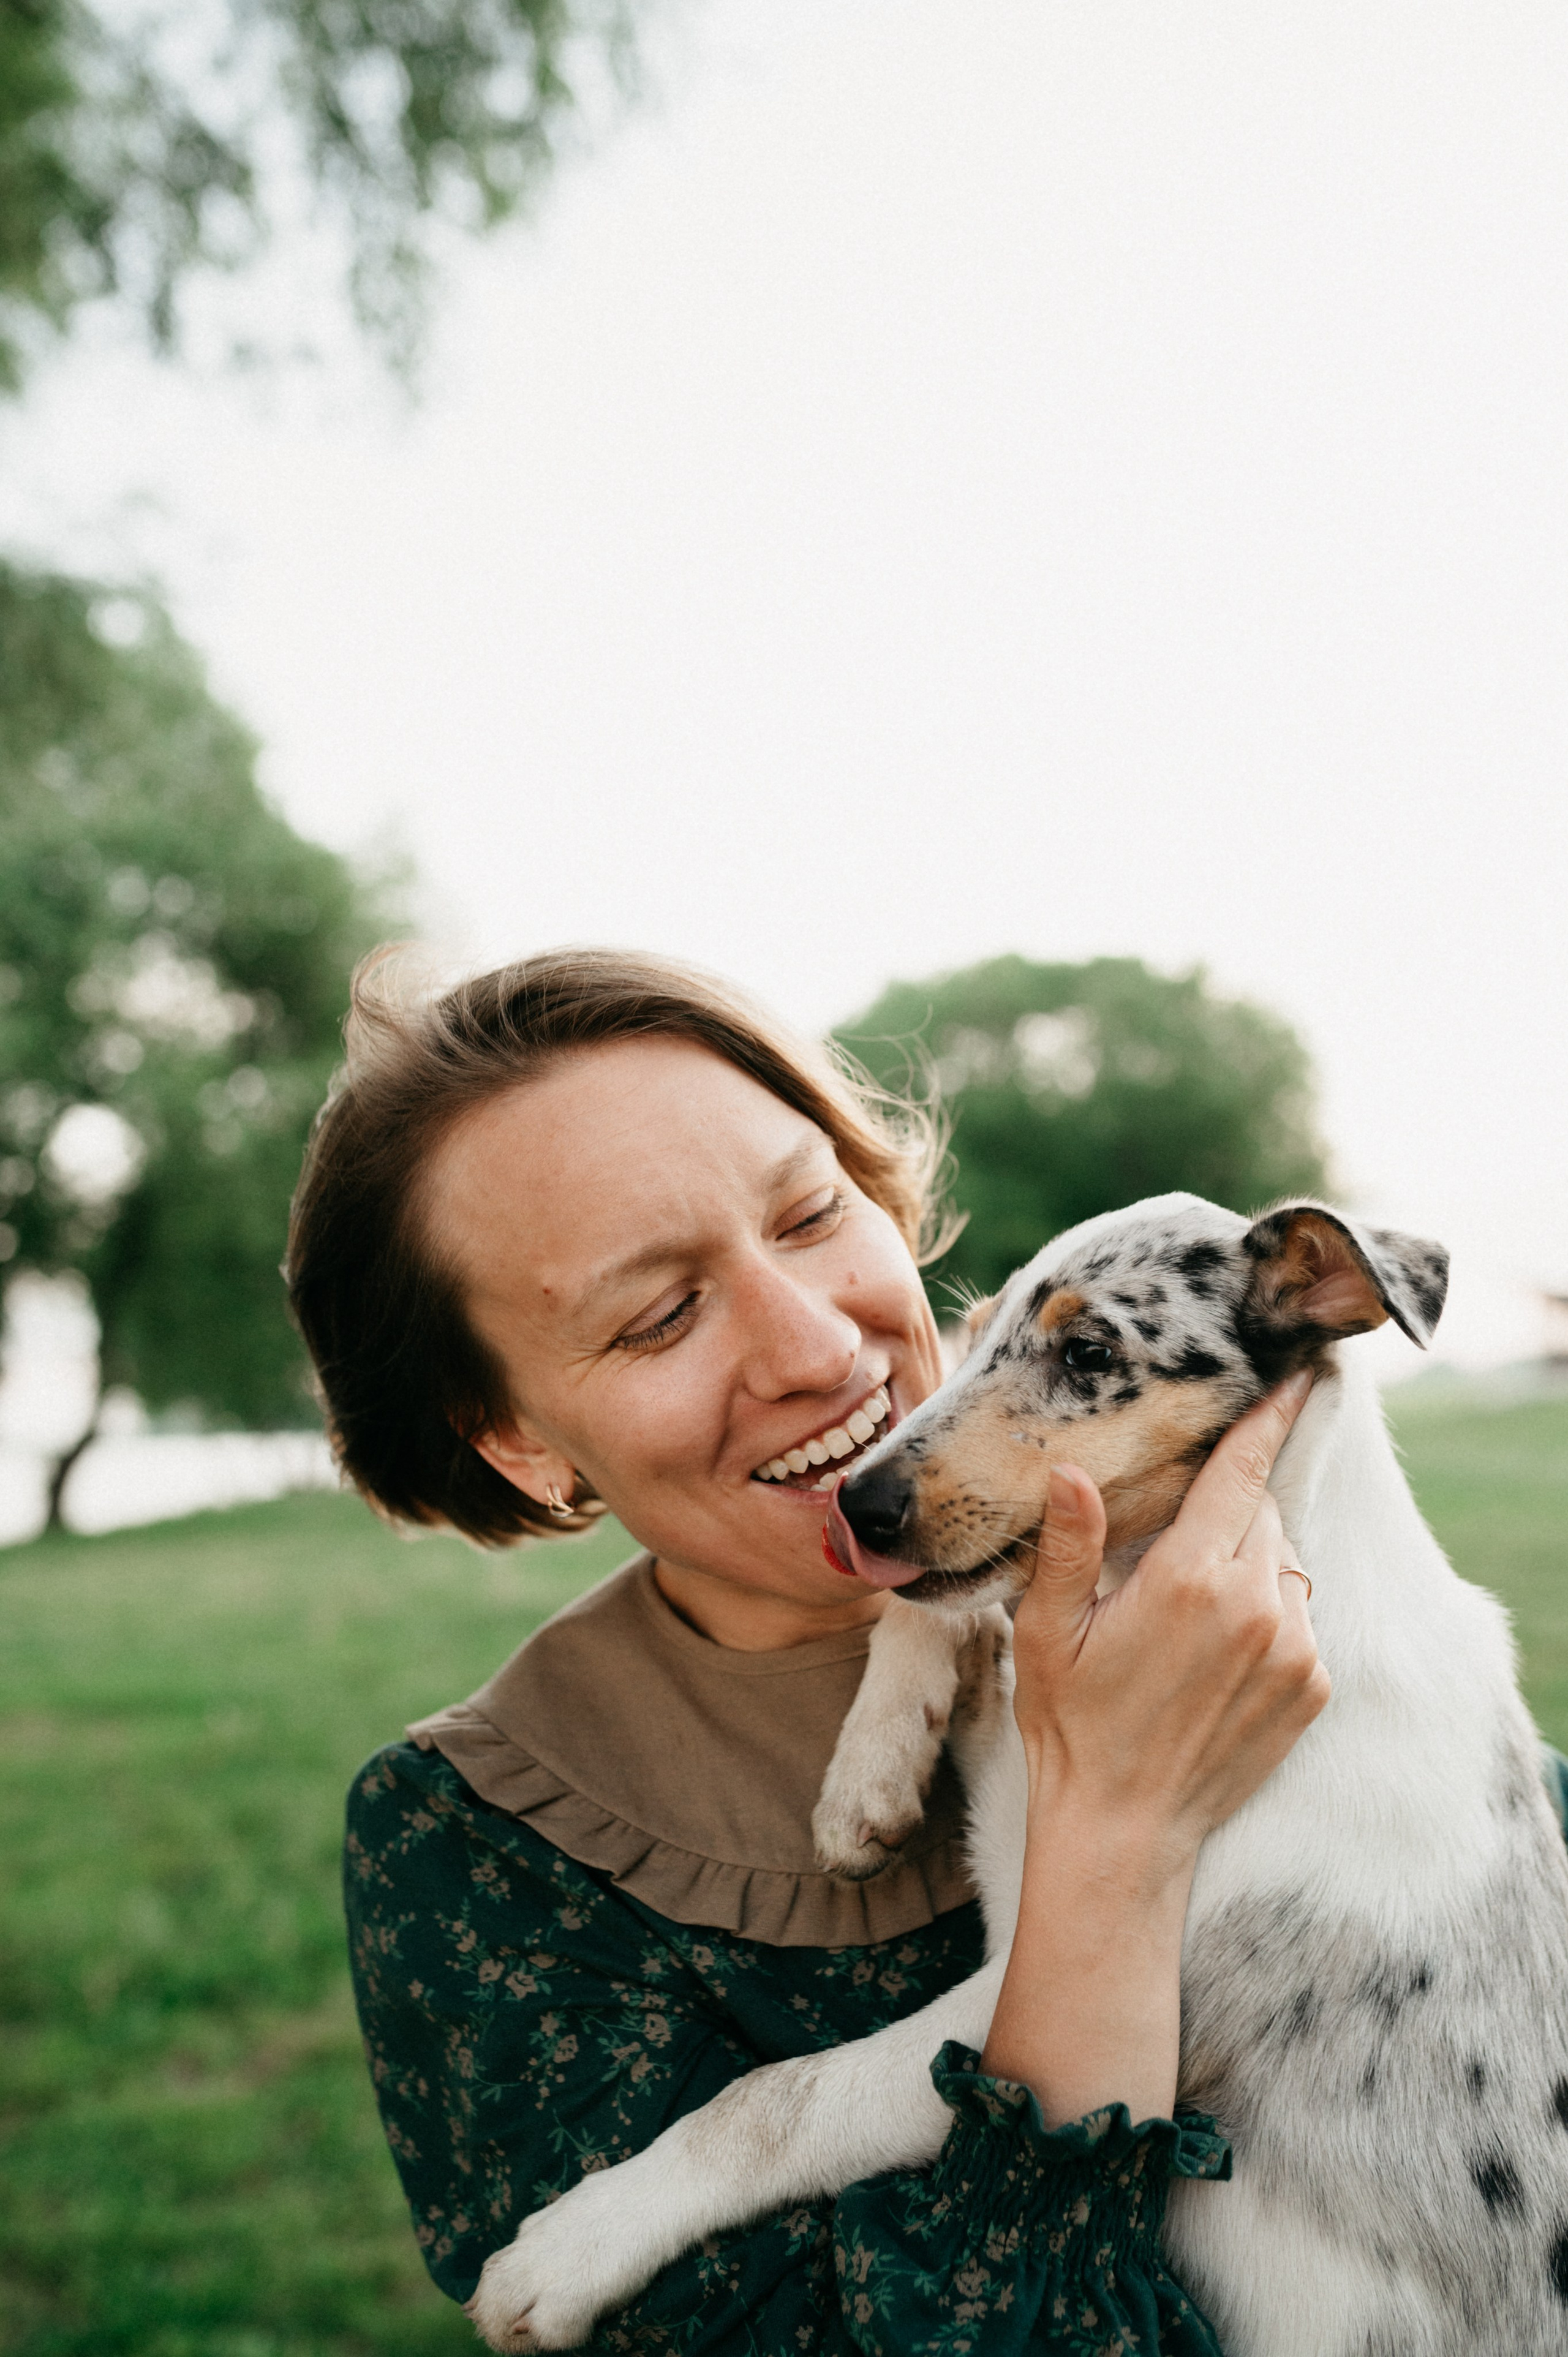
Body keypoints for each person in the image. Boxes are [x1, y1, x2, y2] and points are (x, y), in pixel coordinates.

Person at [284, 946, 1338, 2353]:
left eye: (806, 1211)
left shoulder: (1262, 1608)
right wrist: (1120, 1831)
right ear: (518, 1439)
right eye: (657, 1314)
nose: (814, 1347)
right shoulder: (475, 1847)